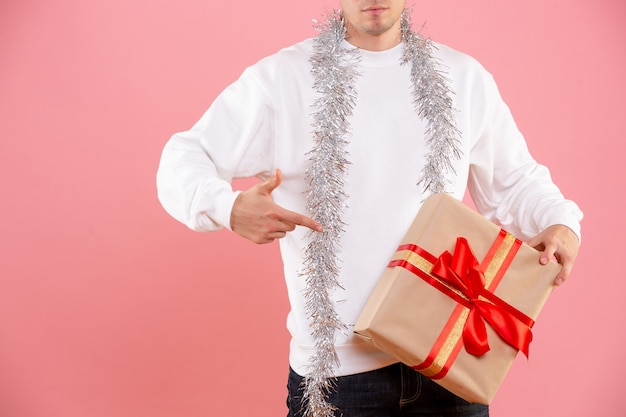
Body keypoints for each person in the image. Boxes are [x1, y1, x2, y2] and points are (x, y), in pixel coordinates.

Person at [156, 1, 583, 416]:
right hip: (338, 378)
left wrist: (560, 221)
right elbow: (183, 159)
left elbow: (517, 181)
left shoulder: (464, 78)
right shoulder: (281, 79)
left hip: (450, 360)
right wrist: (226, 208)